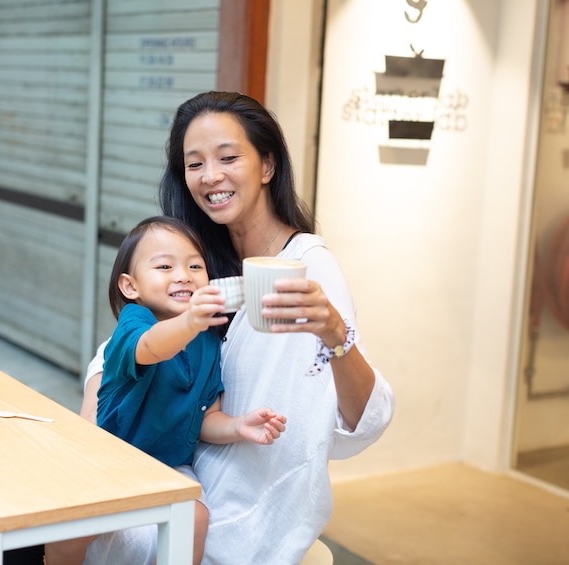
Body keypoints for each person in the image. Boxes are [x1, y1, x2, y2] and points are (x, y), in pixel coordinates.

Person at [81, 91, 395, 564]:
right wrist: (97, 391)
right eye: (194, 164)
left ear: (267, 166)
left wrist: (335, 335)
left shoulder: (306, 267)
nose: (210, 177)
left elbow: (361, 418)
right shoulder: (202, 259)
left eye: (228, 158)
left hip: (246, 501)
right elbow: (130, 341)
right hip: (180, 468)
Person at [45, 215, 286, 565]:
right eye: (164, 266)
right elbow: (152, 348)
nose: (183, 275)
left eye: (195, 265)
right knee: (71, 524)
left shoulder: (209, 342)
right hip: (110, 458)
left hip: (166, 465)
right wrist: (189, 322)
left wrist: (237, 426)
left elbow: (206, 416)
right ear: (131, 287)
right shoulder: (135, 322)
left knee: (195, 518)